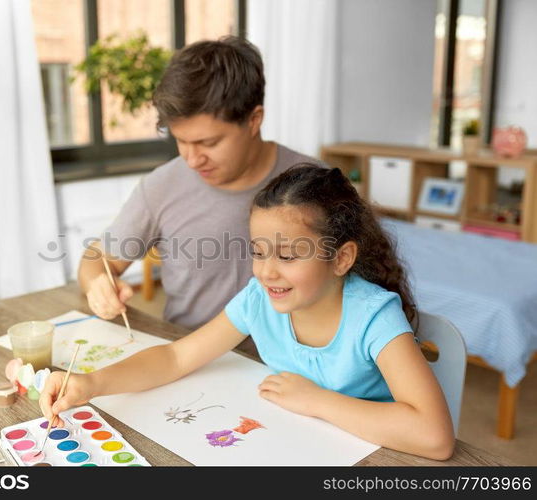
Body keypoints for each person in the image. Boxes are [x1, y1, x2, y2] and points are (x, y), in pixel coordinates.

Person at [42, 165, 455, 461]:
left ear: (342, 258)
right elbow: (175, 357)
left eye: (289, 255)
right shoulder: (260, 298)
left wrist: (316, 401)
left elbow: (434, 437)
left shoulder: (374, 317)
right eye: (257, 252)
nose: (266, 271)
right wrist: (91, 383)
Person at [78, 36, 323, 330]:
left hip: (291, 365)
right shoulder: (161, 186)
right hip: (188, 357)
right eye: (181, 141)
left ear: (254, 120)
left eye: (208, 142)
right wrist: (98, 283)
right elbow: (98, 259)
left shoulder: (316, 183)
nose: (192, 160)